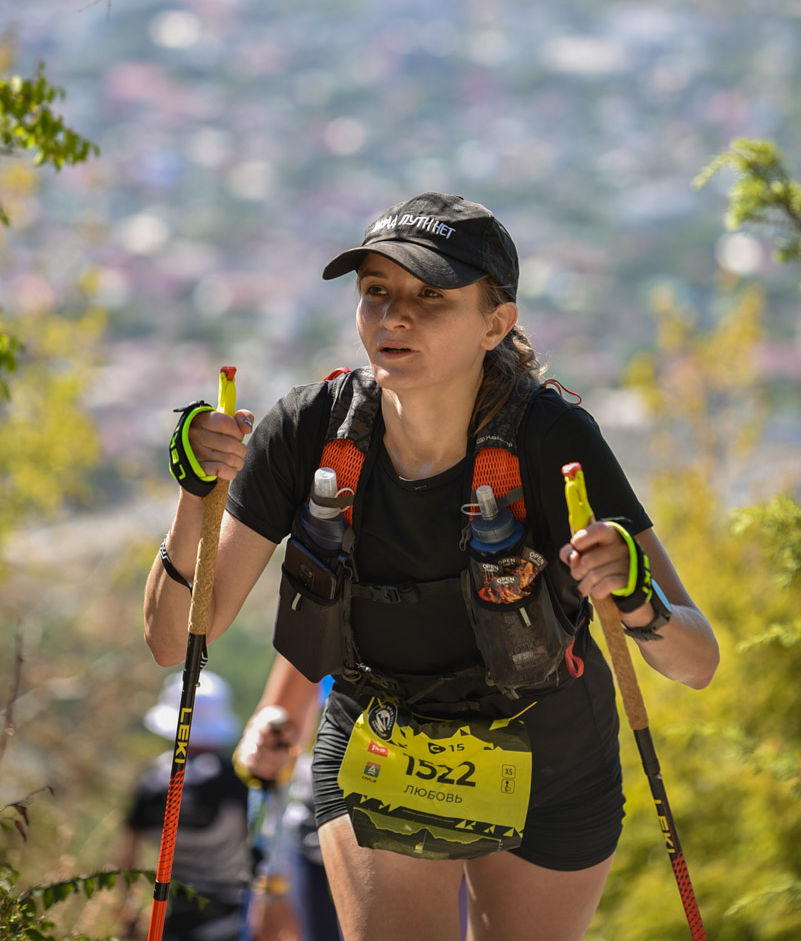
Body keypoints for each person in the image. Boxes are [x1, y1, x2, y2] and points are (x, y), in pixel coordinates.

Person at [144, 191, 719, 941]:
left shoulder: (552, 440)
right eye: (376, 292)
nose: (394, 317)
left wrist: (637, 602)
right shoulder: (307, 430)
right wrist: (196, 494)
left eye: (430, 297)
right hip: (379, 739)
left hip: (550, 761)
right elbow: (171, 641)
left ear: (495, 323)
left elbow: (696, 660)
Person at [119, 671, 249, 941]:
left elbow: (127, 854)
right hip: (232, 918)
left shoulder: (153, 783)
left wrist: (127, 908)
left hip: (171, 914)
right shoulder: (236, 782)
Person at [233, 656, 341, 941]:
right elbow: (268, 748)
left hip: (438, 837)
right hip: (317, 840)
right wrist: (268, 883)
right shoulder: (330, 612)